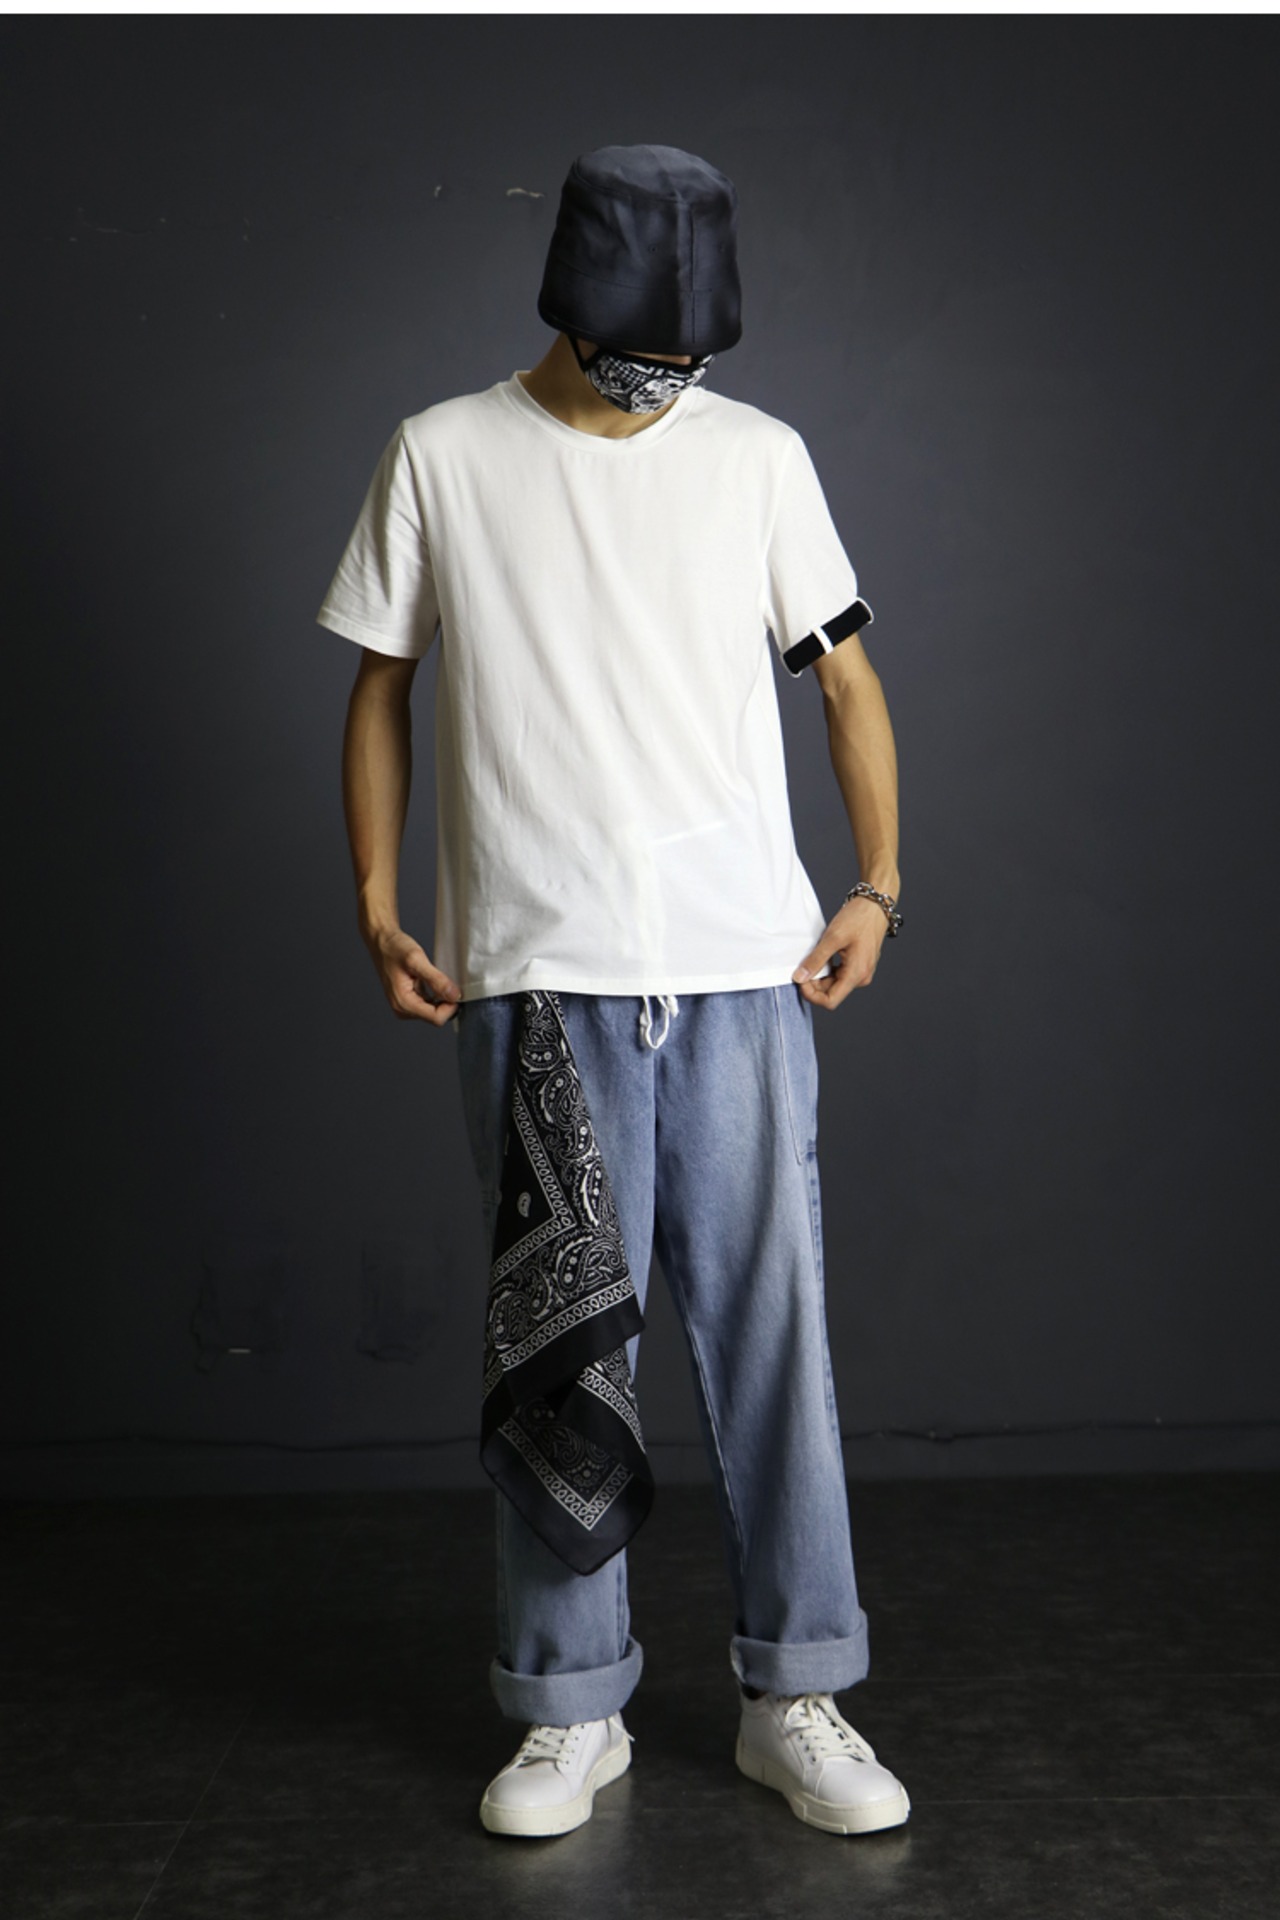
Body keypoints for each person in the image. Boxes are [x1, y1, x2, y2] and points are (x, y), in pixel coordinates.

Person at [316, 143, 909, 1841]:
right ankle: (569, 1708)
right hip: (539, 981)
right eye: (646, 347)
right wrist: (376, 899)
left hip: (741, 970)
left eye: (693, 352)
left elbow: (846, 680)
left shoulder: (759, 459)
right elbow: (382, 686)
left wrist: (876, 884)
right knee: (554, 1351)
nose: (670, 376)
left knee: (776, 1340)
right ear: (570, 306)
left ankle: (799, 1692)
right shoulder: (443, 454)